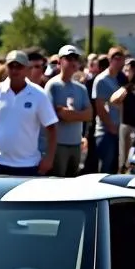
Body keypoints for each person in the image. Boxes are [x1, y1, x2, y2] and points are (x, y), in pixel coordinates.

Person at [0, 50, 58, 176]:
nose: (15, 70)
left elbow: (51, 128)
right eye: (11, 66)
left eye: (19, 66)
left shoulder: (39, 95)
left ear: (27, 69)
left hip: (28, 165)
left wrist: (49, 159)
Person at [44, 45, 92, 177]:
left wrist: (69, 114)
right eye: (69, 58)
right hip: (59, 144)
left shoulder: (80, 88)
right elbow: (51, 115)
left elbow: (89, 114)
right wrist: (77, 115)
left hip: (76, 144)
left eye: (75, 59)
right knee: (58, 182)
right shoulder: (52, 85)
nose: (73, 62)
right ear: (59, 62)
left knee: (72, 182)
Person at [92, 47, 126, 174]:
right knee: (105, 169)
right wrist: (112, 128)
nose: (118, 62)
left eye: (121, 58)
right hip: (106, 132)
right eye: (115, 58)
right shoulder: (101, 80)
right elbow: (100, 108)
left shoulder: (121, 78)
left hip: (119, 130)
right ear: (109, 60)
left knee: (117, 169)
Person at [115, 57, 135, 170]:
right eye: (128, 69)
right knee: (123, 154)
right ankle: (122, 169)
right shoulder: (124, 84)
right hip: (126, 122)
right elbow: (115, 100)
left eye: (133, 69)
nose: (130, 72)